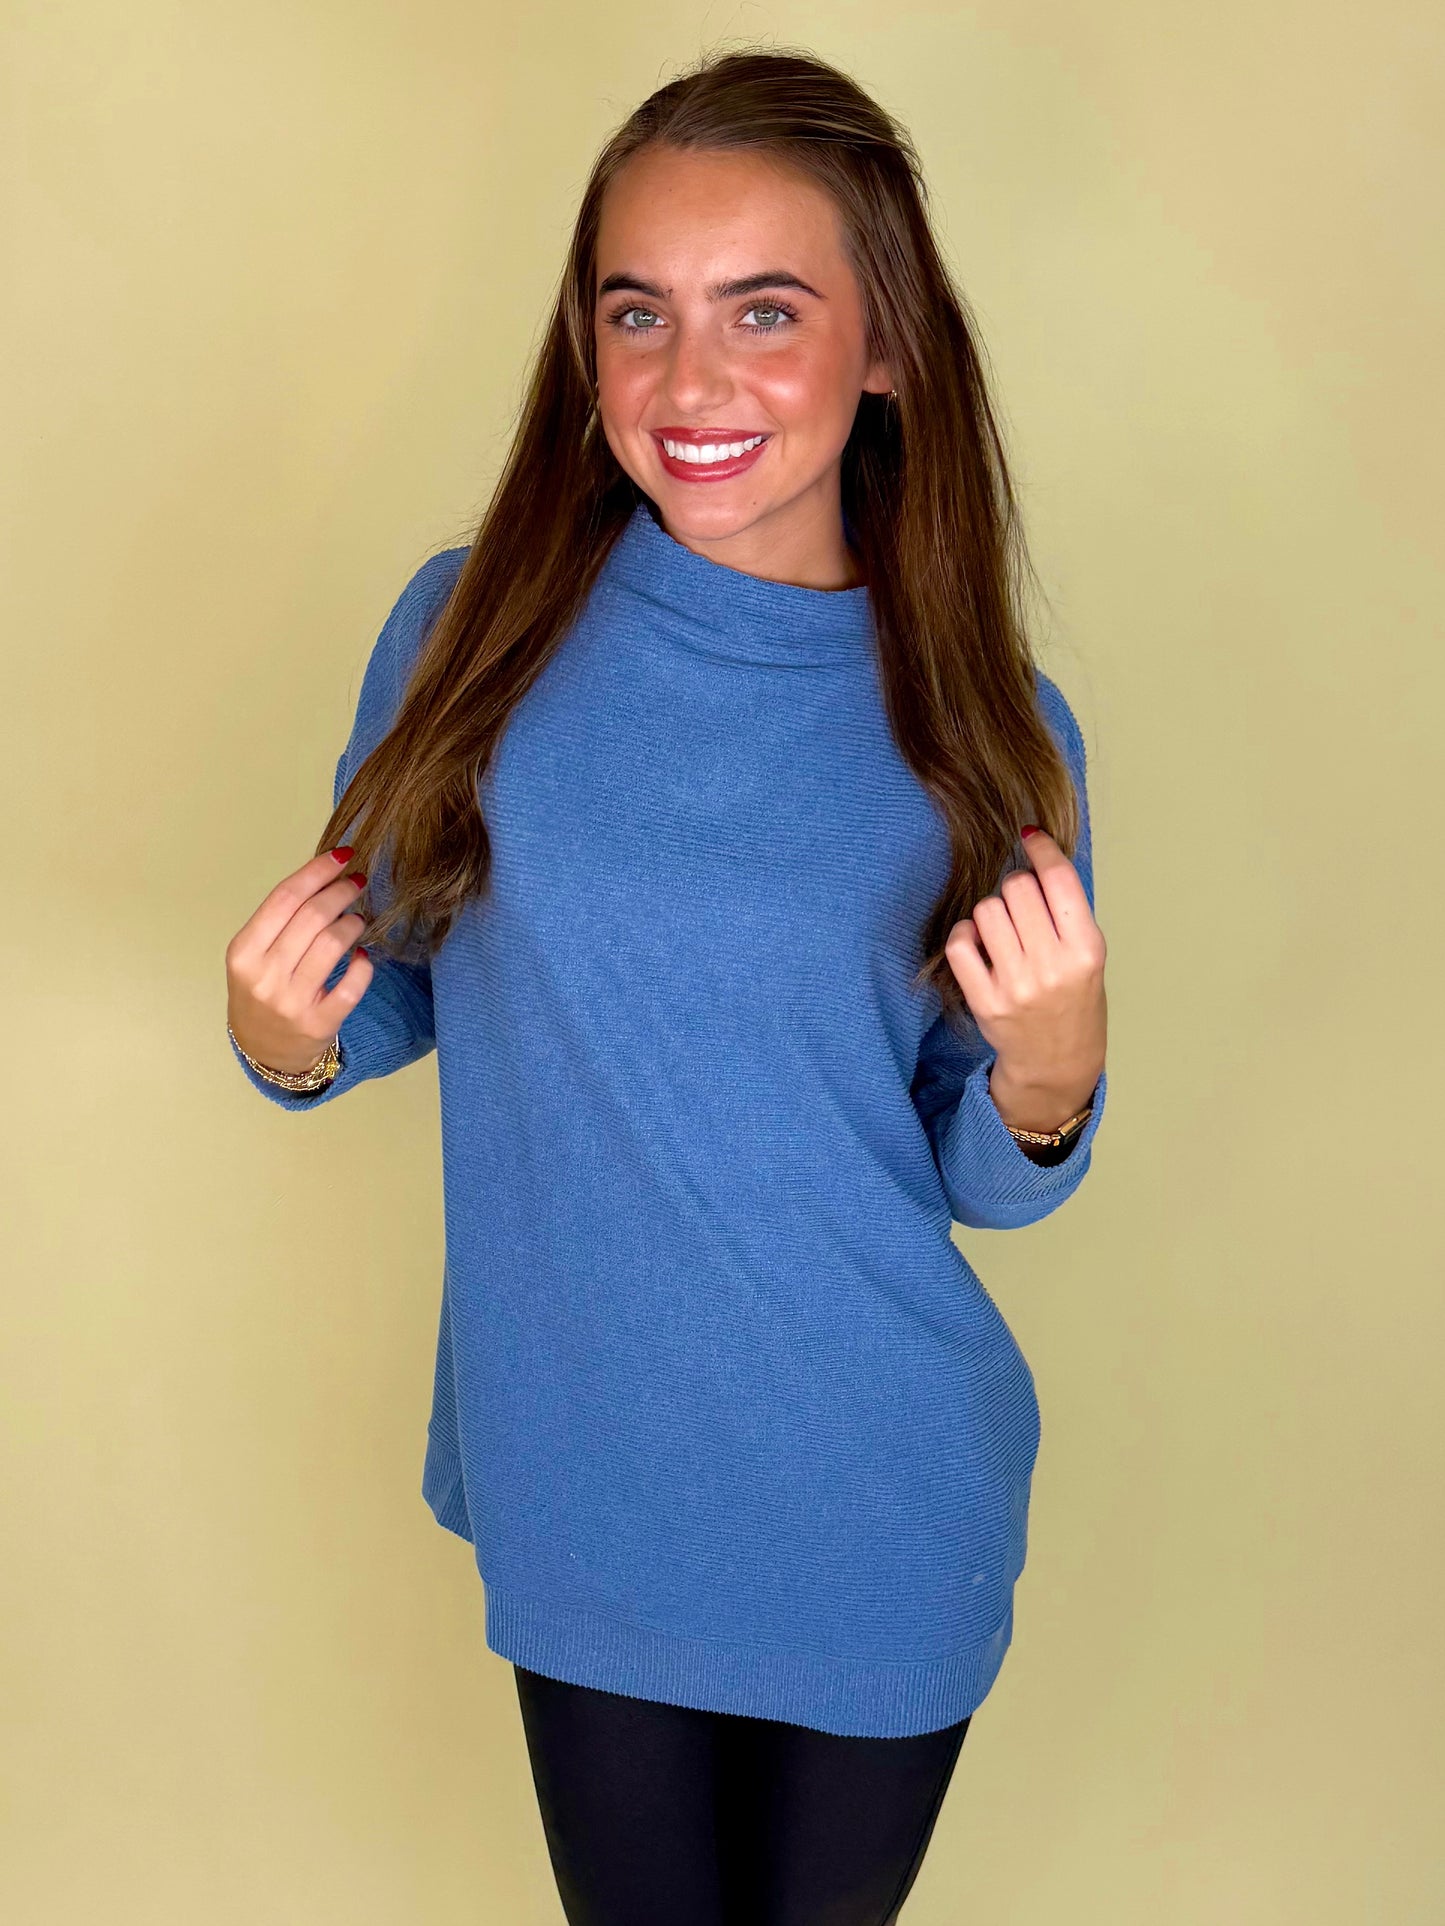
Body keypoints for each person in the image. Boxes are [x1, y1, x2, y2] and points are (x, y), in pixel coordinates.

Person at [223, 44, 1109, 1926]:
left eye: (762, 311)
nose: (689, 381)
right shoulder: (469, 630)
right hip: (589, 1472)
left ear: (887, 346)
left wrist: (1050, 1079)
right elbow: (392, 987)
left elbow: (983, 1165)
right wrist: (282, 1039)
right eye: (639, 313)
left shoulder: (990, 728)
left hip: (878, 1489)